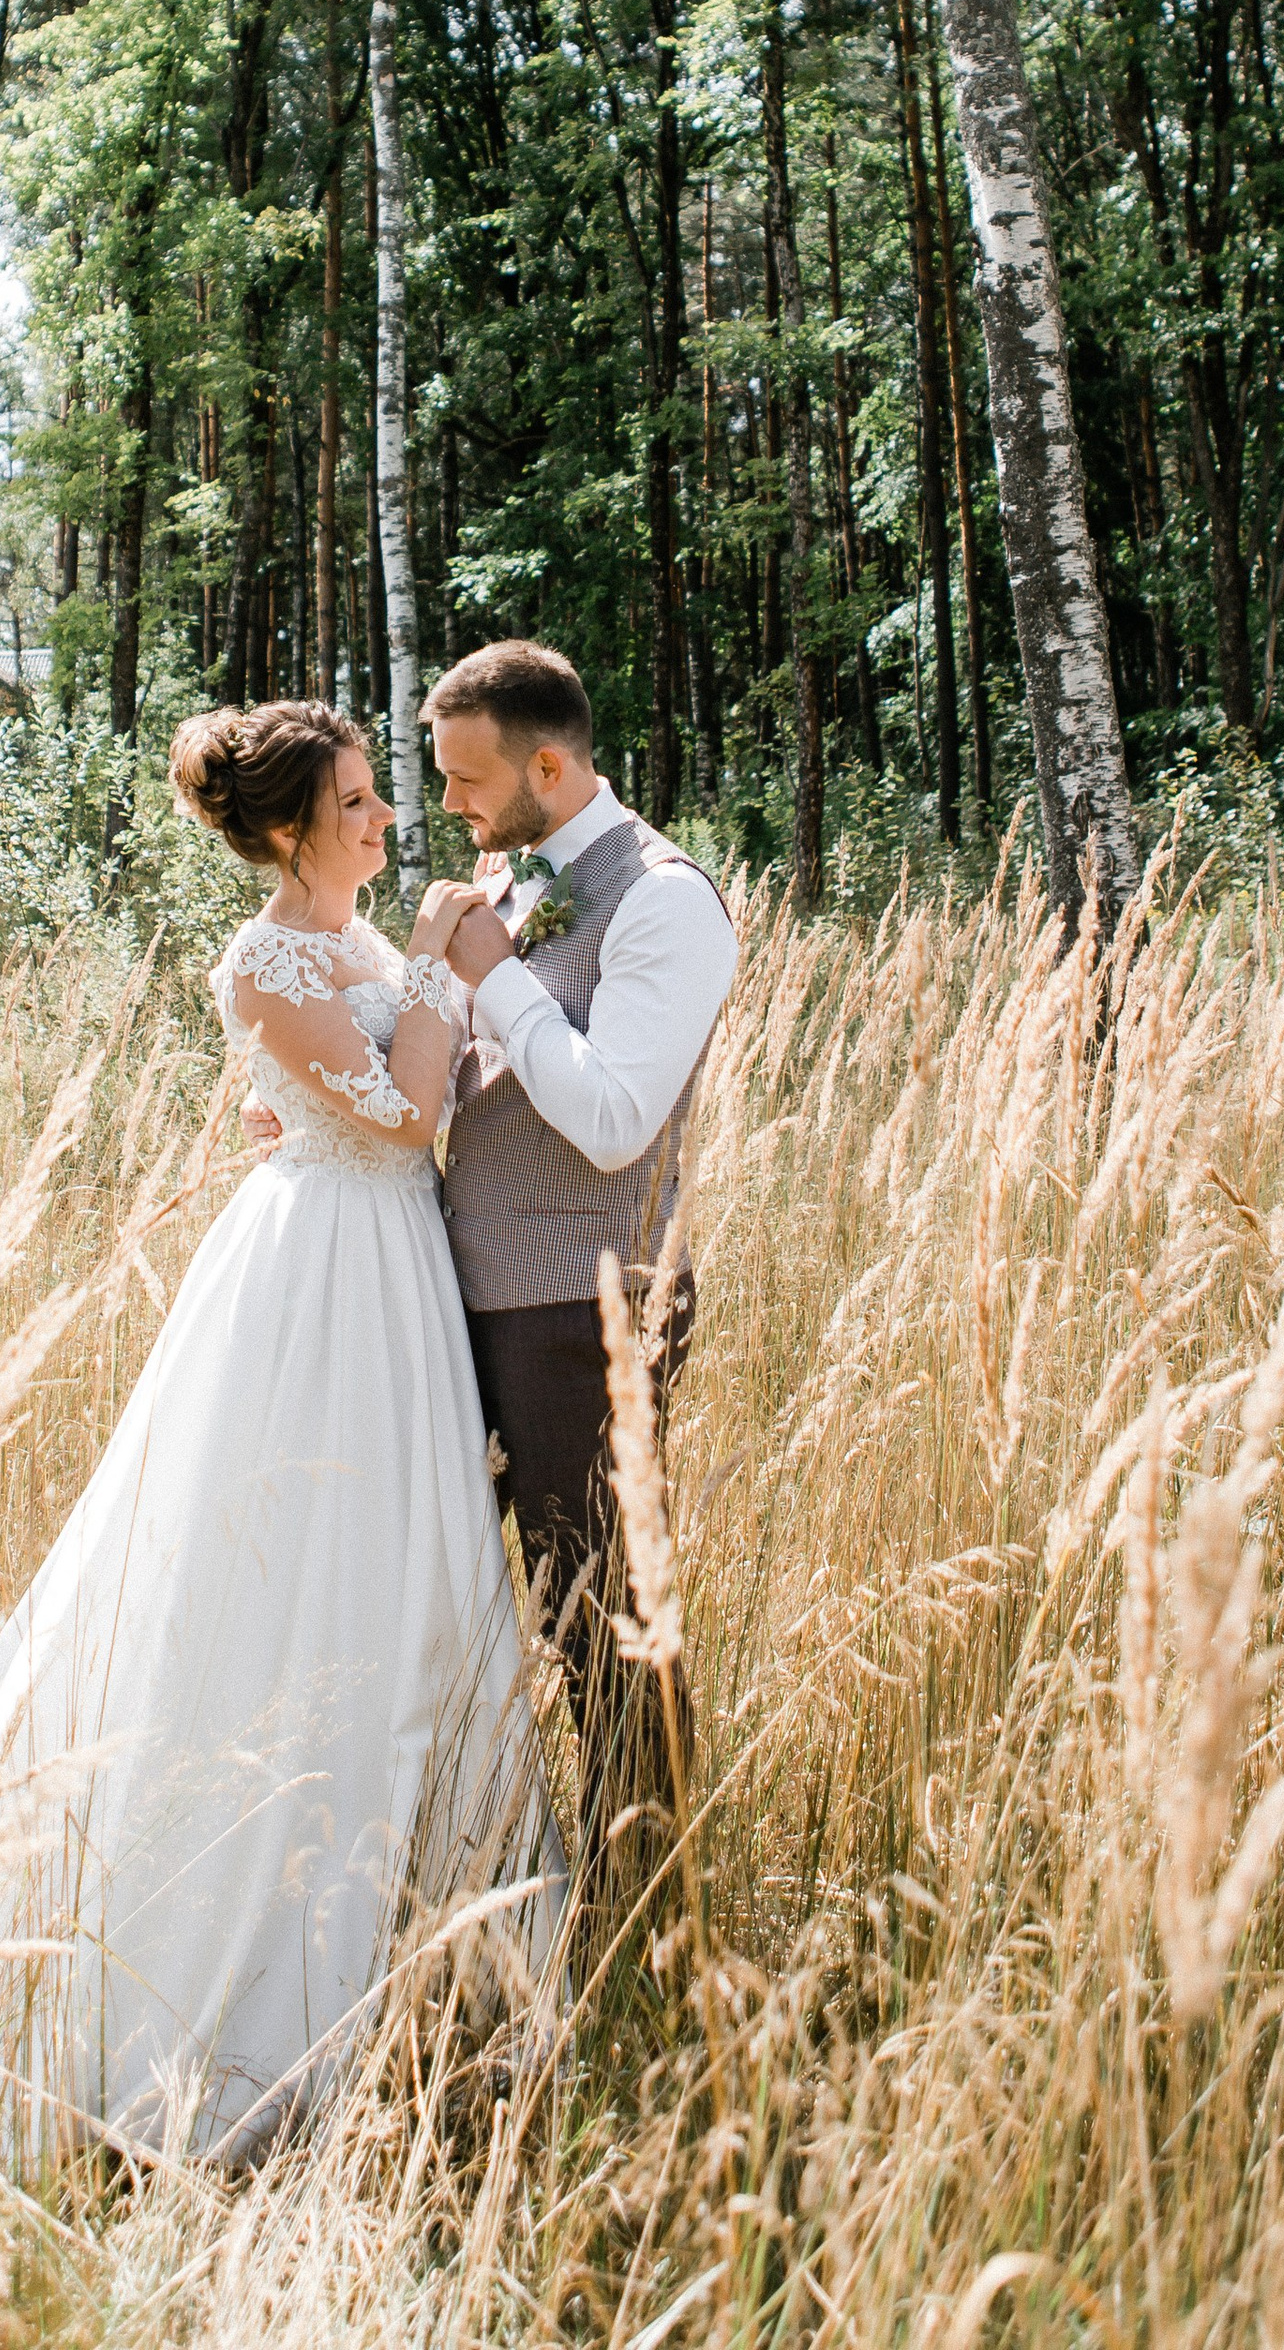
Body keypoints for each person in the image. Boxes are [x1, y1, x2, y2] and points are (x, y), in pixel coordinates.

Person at [0, 697, 558, 2165]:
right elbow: (402, 1118)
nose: (385, 819)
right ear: (285, 829)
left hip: (392, 1272)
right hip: (317, 1276)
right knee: (269, 1568)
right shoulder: (261, 958)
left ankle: (436, 1951)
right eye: (354, 803)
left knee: (404, 1571)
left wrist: (431, 981)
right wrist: (458, 976)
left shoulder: (365, 946)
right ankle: (230, 1978)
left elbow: (341, 1103)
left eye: (379, 797)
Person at [411, 640, 739, 1874]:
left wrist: (495, 980)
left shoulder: (662, 896)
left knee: (600, 1622)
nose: (448, 805)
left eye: (465, 779)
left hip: (584, 1305)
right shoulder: (511, 881)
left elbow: (612, 1121)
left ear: (548, 763)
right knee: (468, 1605)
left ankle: (646, 1904)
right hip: (476, 1296)